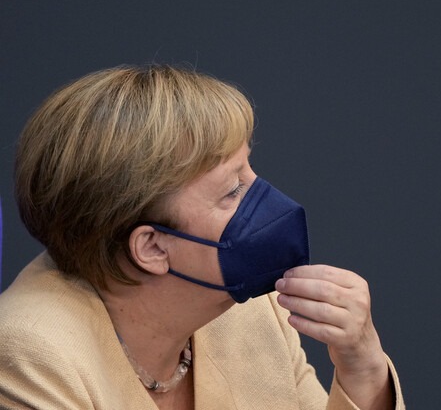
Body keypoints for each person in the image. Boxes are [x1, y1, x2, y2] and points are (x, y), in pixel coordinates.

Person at [0, 65, 404, 410]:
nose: (268, 199)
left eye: (249, 170)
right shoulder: (29, 355)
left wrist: (363, 367)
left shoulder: (252, 311)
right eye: (233, 190)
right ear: (152, 247)